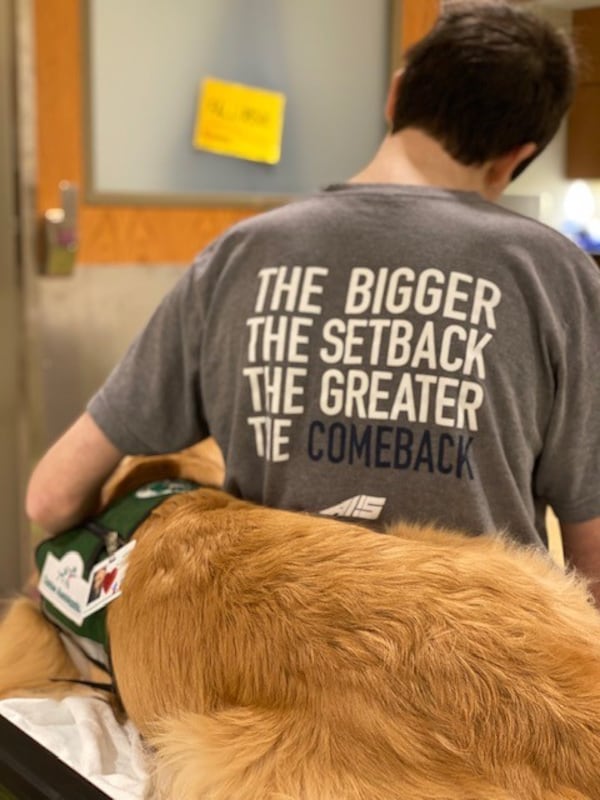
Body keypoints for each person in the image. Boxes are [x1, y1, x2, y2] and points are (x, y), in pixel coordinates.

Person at [26, 3, 600, 603]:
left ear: (396, 94)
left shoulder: (239, 256)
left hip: (269, 667)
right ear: (516, 155)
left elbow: (49, 497)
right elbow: (591, 565)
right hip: (482, 677)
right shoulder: (556, 276)